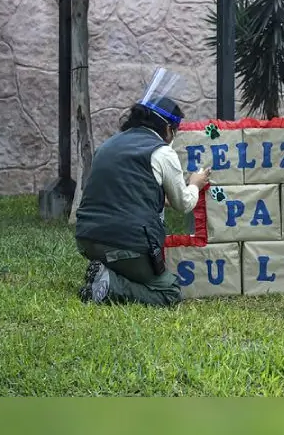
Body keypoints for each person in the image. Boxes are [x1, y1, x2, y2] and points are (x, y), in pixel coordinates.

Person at [74, 68, 211, 306]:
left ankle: (107, 273)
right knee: (169, 291)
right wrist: (195, 184)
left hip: (87, 239)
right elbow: (184, 203)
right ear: (168, 129)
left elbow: (124, 191)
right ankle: (111, 286)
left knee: (121, 260)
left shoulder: (109, 145)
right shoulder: (162, 151)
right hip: (127, 244)